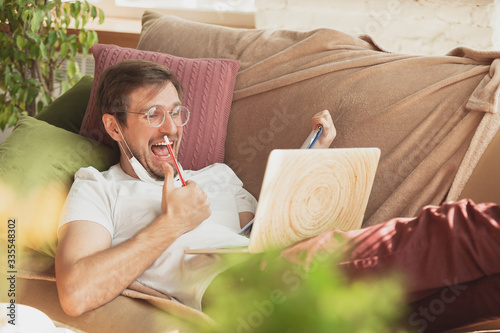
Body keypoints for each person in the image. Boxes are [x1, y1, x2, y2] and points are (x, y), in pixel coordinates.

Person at [56, 59, 500, 330]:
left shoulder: (217, 174)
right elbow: (76, 292)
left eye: (175, 112)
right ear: (115, 126)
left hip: (294, 276)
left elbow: (270, 226)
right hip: (243, 290)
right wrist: (170, 225)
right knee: (462, 228)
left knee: (482, 291)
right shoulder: (98, 187)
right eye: (152, 115)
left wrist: (309, 166)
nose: (171, 127)